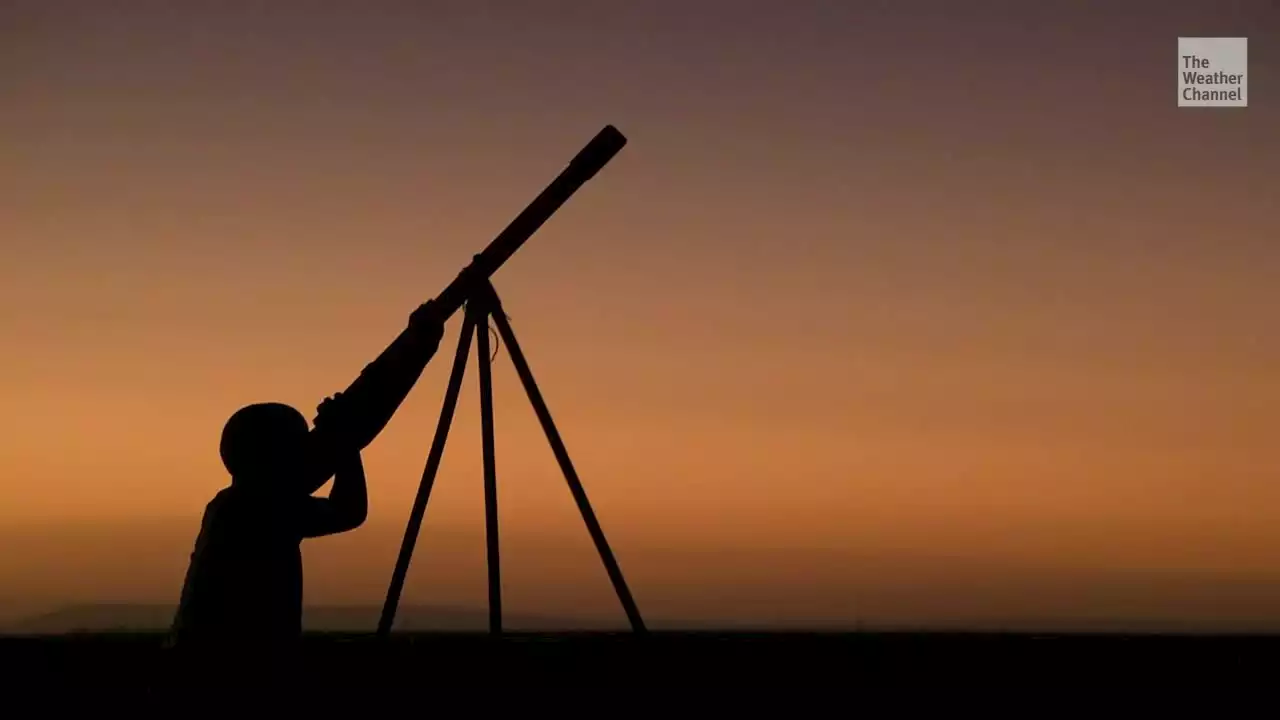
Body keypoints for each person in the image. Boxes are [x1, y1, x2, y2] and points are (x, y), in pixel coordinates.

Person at [169, 299, 447, 650]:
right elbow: (349, 511)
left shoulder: (236, 506)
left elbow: (342, 501)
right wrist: (345, 437)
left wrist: (416, 347)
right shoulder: (251, 509)